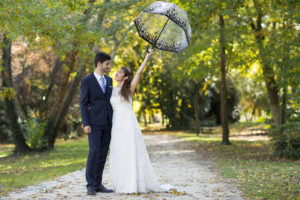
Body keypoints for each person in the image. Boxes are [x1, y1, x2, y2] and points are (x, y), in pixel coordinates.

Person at [109, 48, 172, 193]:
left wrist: (147, 56)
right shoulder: (111, 90)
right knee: (119, 152)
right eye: (117, 71)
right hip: (117, 124)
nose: (117, 73)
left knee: (130, 152)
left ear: (125, 77)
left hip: (128, 124)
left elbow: (139, 73)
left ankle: (132, 184)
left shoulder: (129, 89)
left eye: (120, 72)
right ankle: (121, 182)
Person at [80, 51, 114, 195]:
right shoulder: (87, 80)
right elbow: (83, 103)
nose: (109, 67)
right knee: (93, 152)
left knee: (103, 153)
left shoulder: (110, 80)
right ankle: (90, 184)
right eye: (107, 64)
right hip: (93, 122)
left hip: (108, 122)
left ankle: (98, 183)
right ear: (99, 63)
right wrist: (85, 122)